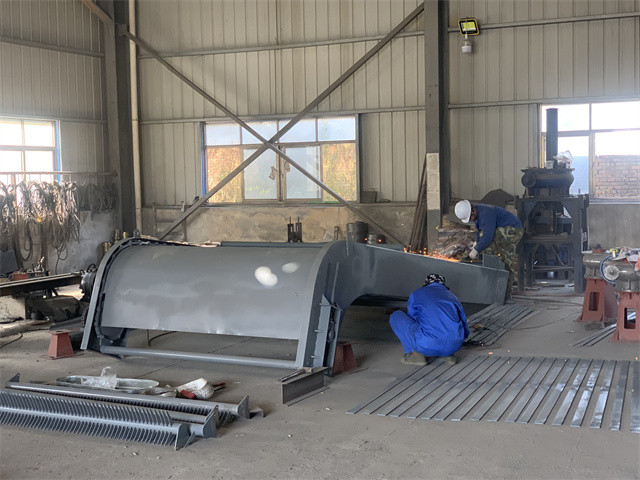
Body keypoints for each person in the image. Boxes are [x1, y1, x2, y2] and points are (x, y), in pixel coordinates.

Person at [389, 274, 469, 366]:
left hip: (427, 345)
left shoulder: (417, 293)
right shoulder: (452, 296)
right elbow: (465, 327)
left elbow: (412, 317)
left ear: (427, 283)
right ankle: (448, 355)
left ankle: (416, 355)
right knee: (446, 333)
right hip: (454, 346)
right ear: (443, 285)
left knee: (396, 315)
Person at [454, 199, 523, 295]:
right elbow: (479, 231)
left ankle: (505, 294)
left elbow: (488, 236)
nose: (470, 220)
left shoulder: (486, 214)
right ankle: (495, 287)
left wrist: (477, 249)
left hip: (513, 231)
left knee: (504, 261)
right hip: (502, 231)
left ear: (472, 211)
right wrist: (476, 243)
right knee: (487, 246)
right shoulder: (478, 212)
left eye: (470, 218)